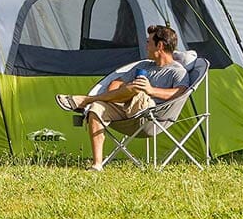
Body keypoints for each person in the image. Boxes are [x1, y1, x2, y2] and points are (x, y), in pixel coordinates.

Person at [55, 24, 189, 171]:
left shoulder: (177, 71)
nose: (146, 46)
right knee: (97, 108)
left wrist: (150, 90)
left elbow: (180, 93)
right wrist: (114, 96)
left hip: (151, 116)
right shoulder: (145, 65)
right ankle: (97, 164)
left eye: (149, 42)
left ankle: (86, 100)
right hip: (125, 108)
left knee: (137, 88)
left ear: (160, 45)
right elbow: (116, 82)